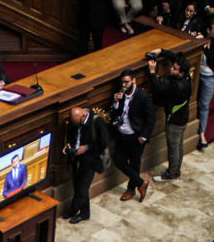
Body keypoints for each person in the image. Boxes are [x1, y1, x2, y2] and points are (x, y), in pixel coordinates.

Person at [110, 70, 154, 201]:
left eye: (126, 82)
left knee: (135, 163)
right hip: (121, 134)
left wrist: (144, 136)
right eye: (122, 82)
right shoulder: (120, 94)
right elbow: (116, 114)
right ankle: (141, 183)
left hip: (135, 136)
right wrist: (116, 103)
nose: (124, 84)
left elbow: (151, 118)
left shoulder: (142, 96)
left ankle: (131, 189)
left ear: (134, 80)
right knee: (118, 160)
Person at [149, 50, 194, 181]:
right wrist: (161, 51)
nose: (171, 69)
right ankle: (176, 170)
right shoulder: (186, 76)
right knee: (178, 145)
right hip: (182, 116)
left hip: (174, 121)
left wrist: (152, 72)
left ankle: (172, 173)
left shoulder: (178, 86)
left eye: (174, 69)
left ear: (181, 73)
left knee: (174, 148)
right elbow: (175, 58)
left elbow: (157, 87)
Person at [63, 105, 110, 224]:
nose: (77, 126)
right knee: (77, 186)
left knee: (82, 188)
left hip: (90, 161)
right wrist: (68, 144)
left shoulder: (97, 122)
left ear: (83, 116)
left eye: (78, 123)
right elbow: (70, 133)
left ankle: (78, 211)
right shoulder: (76, 121)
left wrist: (87, 147)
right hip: (76, 160)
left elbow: (104, 142)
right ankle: (83, 211)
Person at [197, 19, 214, 149]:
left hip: (210, 77)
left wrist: (203, 45)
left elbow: (212, 57)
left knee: (204, 105)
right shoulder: (200, 36)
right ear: (208, 30)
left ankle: (202, 133)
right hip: (197, 74)